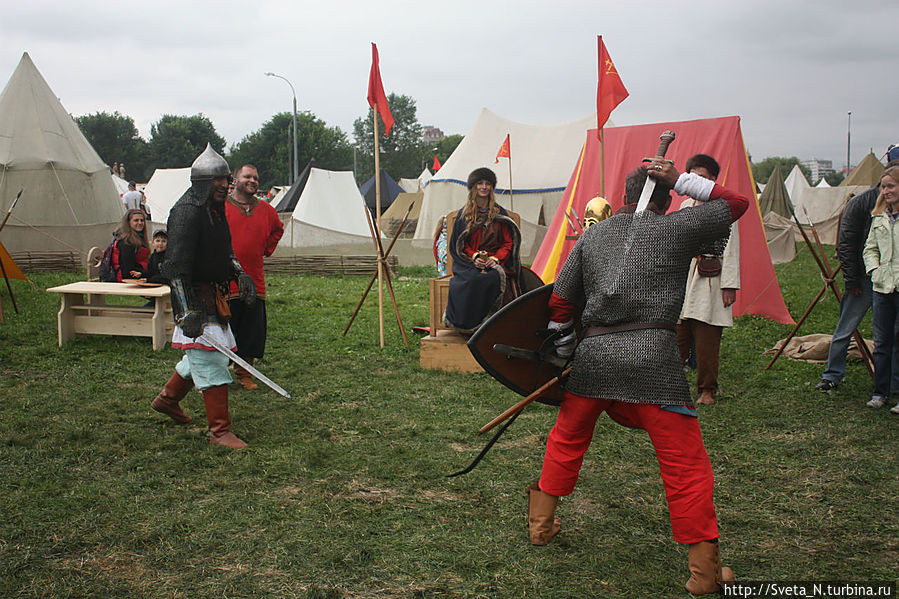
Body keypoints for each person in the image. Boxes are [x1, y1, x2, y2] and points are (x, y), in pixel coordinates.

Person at [529, 159, 749, 595]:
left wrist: (566, 351)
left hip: (593, 359)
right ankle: (704, 574)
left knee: (568, 437)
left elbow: (559, 302)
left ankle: (540, 525)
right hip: (655, 363)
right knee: (685, 464)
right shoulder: (675, 228)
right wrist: (683, 179)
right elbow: (736, 203)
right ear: (668, 197)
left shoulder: (593, 235)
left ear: (626, 195)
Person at [150, 144, 257, 449]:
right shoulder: (186, 212)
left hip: (213, 295)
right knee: (209, 359)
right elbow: (176, 267)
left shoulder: (214, 209)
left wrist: (239, 273)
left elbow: (224, 251)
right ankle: (219, 431)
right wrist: (185, 312)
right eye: (217, 180)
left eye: (226, 179)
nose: (225, 184)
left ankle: (167, 400)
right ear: (201, 183)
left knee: (203, 354)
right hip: (194, 298)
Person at [815, 158, 899, 392]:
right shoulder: (863, 203)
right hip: (863, 278)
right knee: (845, 329)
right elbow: (848, 244)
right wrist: (852, 279)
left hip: (893, 281)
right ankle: (832, 375)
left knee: (893, 334)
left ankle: (892, 382)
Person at [676, 154, 740, 405]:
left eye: (702, 178)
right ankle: (670, 385)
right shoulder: (684, 208)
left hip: (711, 279)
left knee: (707, 339)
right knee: (678, 336)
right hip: (685, 278)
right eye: (692, 177)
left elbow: (732, 248)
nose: (697, 182)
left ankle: (706, 390)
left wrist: (729, 286)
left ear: (713, 180)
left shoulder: (725, 208)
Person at [224, 164, 284, 391]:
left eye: (256, 178)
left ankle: (244, 373)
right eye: (247, 176)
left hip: (254, 278)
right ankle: (217, 372)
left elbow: (278, 229)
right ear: (236, 180)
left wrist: (265, 248)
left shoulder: (267, 211)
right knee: (223, 329)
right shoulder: (221, 207)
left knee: (252, 331)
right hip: (224, 280)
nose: (252, 181)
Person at [443, 167, 522, 332]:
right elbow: (461, 244)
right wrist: (475, 257)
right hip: (469, 262)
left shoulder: (499, 213)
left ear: (492, 187)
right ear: (473, 187)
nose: (484, 187)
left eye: (487, 183)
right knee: (468, 281)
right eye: (480, 183)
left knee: (490, 278)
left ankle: (488, 325)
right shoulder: (464, 215)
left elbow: (508, 243)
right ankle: (466, 326)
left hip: (497, 261)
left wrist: (495, 259)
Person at [862, 165, 899, 414]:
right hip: (883, 287)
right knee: (883, 342)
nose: (886, 191)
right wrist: (874, 270)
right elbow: (870, 248)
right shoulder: (879, 217)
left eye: (891, 186)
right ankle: (881, 392)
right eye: (883, 187)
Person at [112, 209, 150, 281]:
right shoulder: (126, 242)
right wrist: (147, 274)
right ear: (129, 222)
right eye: (136, 220)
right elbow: (128, 270)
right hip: (127, 279)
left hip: (139, 274)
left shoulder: (140, 238)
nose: (140, 223)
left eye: (142, 220)